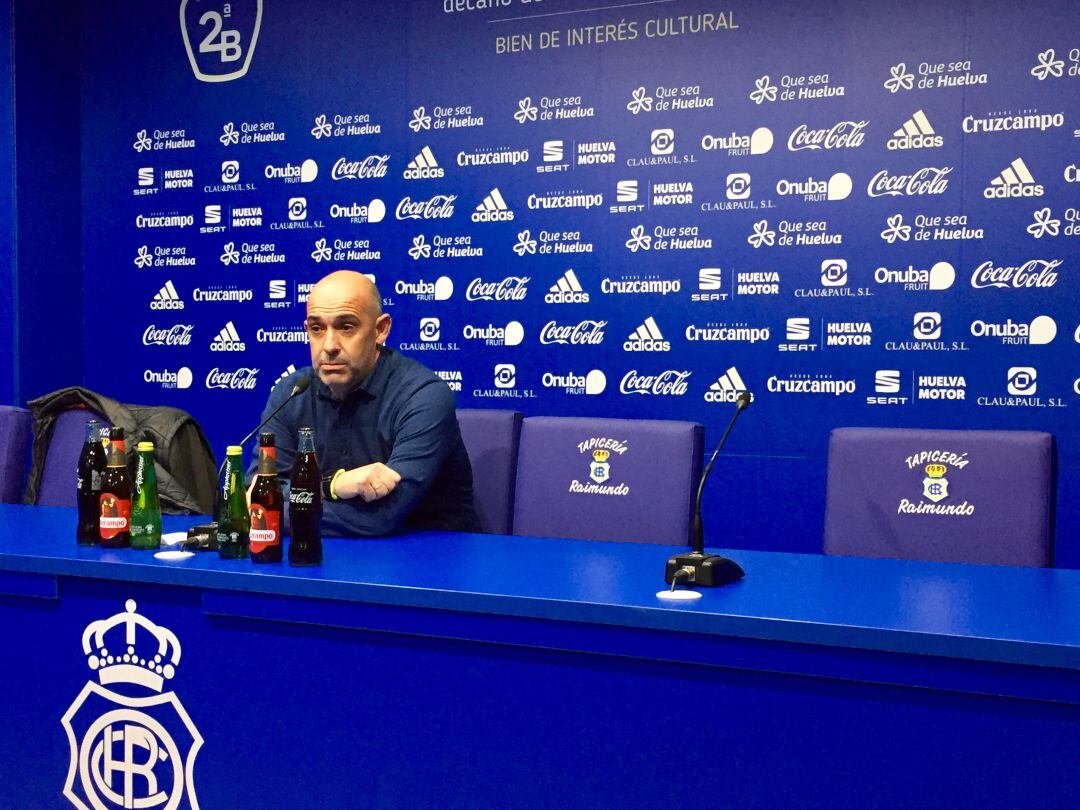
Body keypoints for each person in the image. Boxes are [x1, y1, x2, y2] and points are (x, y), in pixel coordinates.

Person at [250, 270, 479, 536]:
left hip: (429, 562)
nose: (329, 345)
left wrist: (291, 502)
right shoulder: (291, 393)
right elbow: (259, 491)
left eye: (346, 327)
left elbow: (382, 516)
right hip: (328, 557)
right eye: (317, 328)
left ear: (380, 330)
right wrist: (334, 486)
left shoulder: (424, 395)